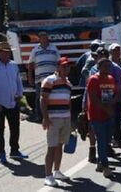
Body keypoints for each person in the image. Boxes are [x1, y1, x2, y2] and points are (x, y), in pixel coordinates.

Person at [0, 41, 27, 164]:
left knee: (15, 127)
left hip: (12, 101)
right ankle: (1, 153)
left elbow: (18, 81)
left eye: (9, 52)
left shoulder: (13, 65)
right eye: (5, 52)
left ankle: (15, 150)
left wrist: (20, 94)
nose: (7, 55)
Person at [40, 57, 72, 187]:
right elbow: (43, 99)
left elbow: (68, 102)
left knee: (60, 146)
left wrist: (70, 119)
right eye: (64, 66)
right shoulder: (49, 80)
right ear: (58, 67)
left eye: (68, 66)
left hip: (65, 118)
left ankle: (57, 171)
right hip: (53, 119)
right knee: (51, 147)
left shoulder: (68, 83)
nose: (66, 68)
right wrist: (45, 117)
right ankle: (48, 176)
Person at [86, 57, 117, 178]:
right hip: (97, 115)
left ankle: (100, 162)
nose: (108, 68)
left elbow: (111, 95)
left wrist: (112, 107)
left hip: (108, 115)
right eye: (105, 66)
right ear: (99, 67)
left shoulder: (111, 79)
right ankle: (105, 166)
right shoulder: (93, 80)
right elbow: (93, 99)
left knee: (108, 139)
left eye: (109, 66)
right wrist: (106, 110)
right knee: (102, 141)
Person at [28, 31, 60, 122]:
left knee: (53, 97)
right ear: (39, 39)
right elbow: (30, 64)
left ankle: (53, 115)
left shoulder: (54, 48)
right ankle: (39, 116)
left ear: (47, 38)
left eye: (45, 37)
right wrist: (30, 77)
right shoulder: (35, 49)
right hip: (40, 79)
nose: (43, 39)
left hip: (52, 79)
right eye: (41, 37)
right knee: (39, 97)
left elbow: (59, 62)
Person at [108, 43, 121, 147]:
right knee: (116, 119)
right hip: (114, 97)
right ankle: (117, 139)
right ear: (111, 52)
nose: (117, 52)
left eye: (119, 50)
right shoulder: (108, 64)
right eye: (115, 50)